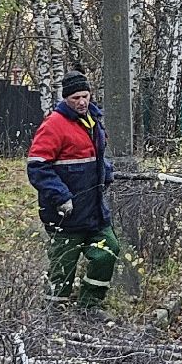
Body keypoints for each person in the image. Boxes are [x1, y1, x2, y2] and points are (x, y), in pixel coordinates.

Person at [26, 71, 119, 308]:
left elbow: (97, 157)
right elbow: (37, 167)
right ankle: (52, 318)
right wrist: (61, 196)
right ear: (66, 99)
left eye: (85, 96)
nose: (82, 102)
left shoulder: (94, 122)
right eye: (76, 97)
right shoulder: (54, 125)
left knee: (108, 250)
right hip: (65, 215)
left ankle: (90, 305)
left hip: (94, 211)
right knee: (62, 269)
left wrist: (106, 173)